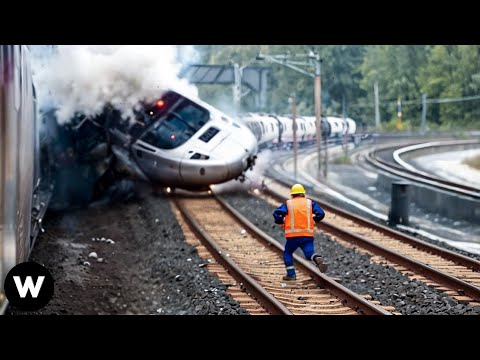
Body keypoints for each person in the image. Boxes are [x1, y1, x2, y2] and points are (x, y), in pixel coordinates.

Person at [273, 183, 327, 281]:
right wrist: (314, 219)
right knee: (309, 253)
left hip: (293, 236)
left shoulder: (288, 204)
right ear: (303, 194)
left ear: (292, 195)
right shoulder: (310, 203)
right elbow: (321, 213)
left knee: (288, 252)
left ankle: (291, 274)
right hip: (307, 235)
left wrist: (280, 221)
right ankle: (316, 258)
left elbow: (277, 213)